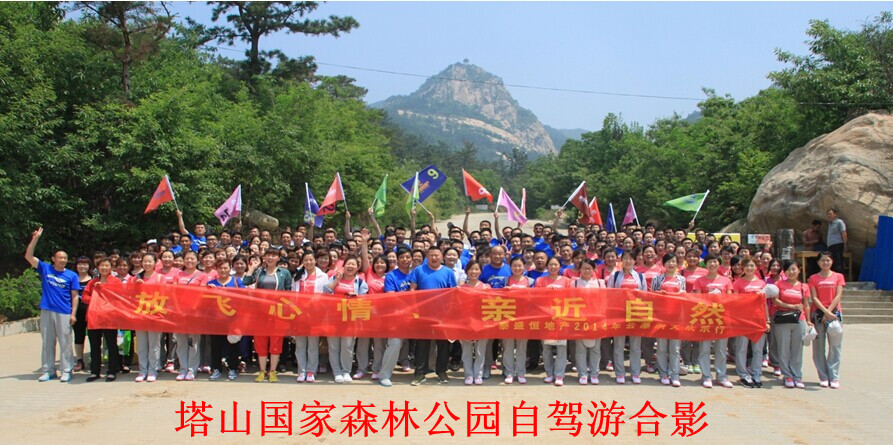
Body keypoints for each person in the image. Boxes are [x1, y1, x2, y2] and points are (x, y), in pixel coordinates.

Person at [25, 228, 81, 382]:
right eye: (60, 257)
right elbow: (28, 256)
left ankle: (66, 370)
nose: (63, 260)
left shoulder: (71, 275)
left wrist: (73, 314)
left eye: (65, 258)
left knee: (65, 342)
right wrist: (35, 239)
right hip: (47, 310)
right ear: (53, 259)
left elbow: (75, 296)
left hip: (64, 311)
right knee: (47, 342)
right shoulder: (46, 269)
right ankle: (48, 370)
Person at [243, 248, 293, 383]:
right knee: (260, 341)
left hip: (277, 312)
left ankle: (272, 371)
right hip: (260, 312)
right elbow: (246, 281)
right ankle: (262, 371)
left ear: (278, 258)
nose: (270, 258)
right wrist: (252, 268)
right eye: (268, 255)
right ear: (264, 257)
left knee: (276, 341)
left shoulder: (284, 273)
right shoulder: (259, 271)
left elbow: (289, 292)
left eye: (273, 255)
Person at [409, 248, 458, 386]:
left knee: (443, 345)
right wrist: (414, 308)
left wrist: (450, 312)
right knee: (422, 345)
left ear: (442, 257)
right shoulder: (419, 270)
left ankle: (441, 371)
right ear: (427, 257)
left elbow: (453, 293)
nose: (434, 258)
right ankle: (419, 373)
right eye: (431, 255)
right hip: (423, 314)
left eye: (437, 255)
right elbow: (412, 289)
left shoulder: (448, 272)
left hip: (443, 315)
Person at [322, 255, 368, 384]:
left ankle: (346, 371)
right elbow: (325, 291)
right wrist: (337, 280)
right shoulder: (335, 277)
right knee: (333, 346)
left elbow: (364, 300)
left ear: (357, 267)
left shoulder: (360, 282)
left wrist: (356, 297)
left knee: (347, 347)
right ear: (344, 266)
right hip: (333, 318)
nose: (350, 266)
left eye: (353, 264)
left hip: (350, 320)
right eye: (348, 264)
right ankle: (337, 372)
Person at [692, 254, 734, 389]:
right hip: (706, 318)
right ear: (706, 264)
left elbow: (729, 299)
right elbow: (698, 299)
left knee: (721, 349)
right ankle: (706, 376)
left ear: (719, 264)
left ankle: (721, 376)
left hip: (722, 318)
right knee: (705, 348)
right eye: (709, 262)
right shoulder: (699, 281)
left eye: (715, 262)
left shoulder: (726, 280)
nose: (712, 264)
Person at [606, 250, 647, 385]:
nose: (628, 261)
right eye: (625, 258)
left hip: (635, 314)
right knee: (619, 345)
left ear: (635, 261)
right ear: (621, 260)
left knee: (635, 346)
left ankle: (635, 373)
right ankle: (620, 373)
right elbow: (609, 295)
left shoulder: (640, 277)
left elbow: (645, 296)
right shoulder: (615, 276)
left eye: (631, 258)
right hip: (619, 314)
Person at [81, 258, 123, 382]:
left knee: (111, 345)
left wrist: (104, 288)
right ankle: (95, 371)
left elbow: (119, 296)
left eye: (107, 265)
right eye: (102, 266)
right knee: (94, 345)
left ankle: (112, 370)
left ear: (111, 268)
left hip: (109, 318)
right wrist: (94, 299)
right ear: (97, 268)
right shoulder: (92, 282)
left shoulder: (116, 281)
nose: (104, 268)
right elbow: (84, 296)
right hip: (94, 318)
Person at [809, 251, 845, 389]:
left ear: (832, 261)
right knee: (819, 347)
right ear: (818, 262)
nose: (825, 263)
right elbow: (814, 297)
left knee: (835, 346)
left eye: (828, 260)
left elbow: (838, 295)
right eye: (822, 260)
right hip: (818, 315)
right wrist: (824, 312)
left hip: (834, 315)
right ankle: (823, 376)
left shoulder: (838, 277)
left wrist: (829, 312)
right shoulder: (813, 278)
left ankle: (834, 376)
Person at [380, 247, 415, 387]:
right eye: (402, 257)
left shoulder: (415, 274)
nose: (405, 260)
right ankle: (384, 375)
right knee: (394, 343)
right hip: (397, 317)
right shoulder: (391, 276)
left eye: (408, 257)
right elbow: (390, 296)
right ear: (397, 259)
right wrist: (408, 299)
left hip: (416, 316)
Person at [651, 253, 686, 387]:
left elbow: (684, 296)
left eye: (673, 261)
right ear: (663, 264)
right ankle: (663, 374)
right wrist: (659, 294)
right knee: (661, 348)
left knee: (675, 348)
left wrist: (680, 294)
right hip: (661, 317)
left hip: (676, 317)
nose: (671, 264)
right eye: (668, 262)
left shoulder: (681, 279)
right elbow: (652, 296)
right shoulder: (657, 279)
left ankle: (674, 374)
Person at [732, 258, 769, 388]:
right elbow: (735, 302)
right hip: (743, 320)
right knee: (741, 348)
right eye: (746, 266)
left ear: (756, 267)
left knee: (758, 349)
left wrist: (767, 320)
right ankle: (743, 375)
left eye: (752, 265)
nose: (749, 268)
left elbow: (764, 303)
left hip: (758, 320)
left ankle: (756, 374)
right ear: (742, 268)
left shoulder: (761, 283)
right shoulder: (737, 283)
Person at [535, 256, 572, 386]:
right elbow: (536, 298)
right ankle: (549, 373)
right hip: (545, 317)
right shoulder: (540, 280)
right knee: (546, 347)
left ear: (560, 267)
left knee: (562, 347)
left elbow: (571, 297)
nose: (553, 267)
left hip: (561, 317)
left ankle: (559, 374)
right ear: (547, 266)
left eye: (556, 265)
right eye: (551, 264)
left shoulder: (567, 281)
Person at [775, 261, 811, 389]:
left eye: (794, 269)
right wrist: (792, 306)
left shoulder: (804, 286)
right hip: (783, 319)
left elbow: (806, 304)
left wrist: (808, 320)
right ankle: (787, 375)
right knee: (783, 348)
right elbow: (775, 301)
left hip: (799, 319)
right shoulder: (779, 284)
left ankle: (797, 376)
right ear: (784, 272)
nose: (791, 272)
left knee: (797, 349)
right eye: (788, 270)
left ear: (799, 270)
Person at [293, 251, 326, 383]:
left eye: (311, 260)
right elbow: (293, 294)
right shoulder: (298, 275)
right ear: (303, 262)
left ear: (315, 261)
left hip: (315, 315)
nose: (308, 262)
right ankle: (301, 371)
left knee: (313, 344)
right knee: (300, 345)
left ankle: (311, 370)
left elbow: (325, 295)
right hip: (300, 314)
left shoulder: (322, 276)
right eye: (306, 260)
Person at [132, 253, 166, 382]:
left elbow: (164, 295)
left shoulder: (160, 278)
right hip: (140, 315)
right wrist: (136, 286)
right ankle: (142, 370)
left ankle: (153, 370)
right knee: (141, 345)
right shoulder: (136, 278)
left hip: (154, 315)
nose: (147, 264)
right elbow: (130, 296)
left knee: (154, 345)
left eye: (150, 261)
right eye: (145, 261)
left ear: (155, 263)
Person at [174, 251, 207, 381]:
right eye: (187, 259)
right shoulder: (178, 274)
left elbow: (202, 294)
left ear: (197, 261)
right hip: (180, 313)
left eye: (192, 259)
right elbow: (173, 293)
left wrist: (194, 309)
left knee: (194, 343)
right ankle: (182, 369)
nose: (189, 261)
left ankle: (192, 369)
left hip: (195, 314)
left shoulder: (202, 275)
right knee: (181, 343)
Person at [573, 259, 605, 385]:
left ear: (594, 269)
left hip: (596, 319)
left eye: (589, 268)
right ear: (579, 269)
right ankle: (582, 374)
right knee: (580, 348)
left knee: (595, 348)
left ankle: (594, 373)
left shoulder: (600, 283)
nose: (586, 271)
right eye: (584, 268)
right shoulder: (575, 283)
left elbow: (604, 300)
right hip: (580, 319)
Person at [503, 257, 533, 384]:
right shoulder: (506, 280)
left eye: (519, 265)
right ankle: (509, 372)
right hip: (508, 317)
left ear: (524, 266)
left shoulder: (530, 281)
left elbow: (536, 298)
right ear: (510, 267)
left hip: (524, 317)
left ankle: (521, 372)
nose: (517, 268)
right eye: (514, 266)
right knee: (508, 347)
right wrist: (505, 292)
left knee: (521, 347)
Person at [460, 261, 490, 385]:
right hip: (465, 324)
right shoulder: (461, 289)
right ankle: (468, 374)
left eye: (477, 269)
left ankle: (478, 374)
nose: (474, 272)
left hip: (481, 323)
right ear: (466, 271)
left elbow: (490, 306)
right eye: (471, 269)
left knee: (480, 351)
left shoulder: (486, 287)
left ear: (480, 272)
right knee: (466, 351)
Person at [72, 257, 92, 373]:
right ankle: (79, 360)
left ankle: (93, 359)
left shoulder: (94, 279)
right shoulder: (72, 278)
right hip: (77, 312)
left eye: (85, 264)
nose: (82, 266)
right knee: (79, 336)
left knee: (94, 336)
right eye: (80, 264)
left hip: (91, 312)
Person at [826, 209, 847, 274]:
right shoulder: (830, 223)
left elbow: (844, 233)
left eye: (830, 214)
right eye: (828, 214)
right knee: (832, 262)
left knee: (838, 262)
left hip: (837, 244)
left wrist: (845, 244)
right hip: (830, 245)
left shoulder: (839, 222)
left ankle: (839, 277)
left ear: (835, 214)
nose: (829, 215)